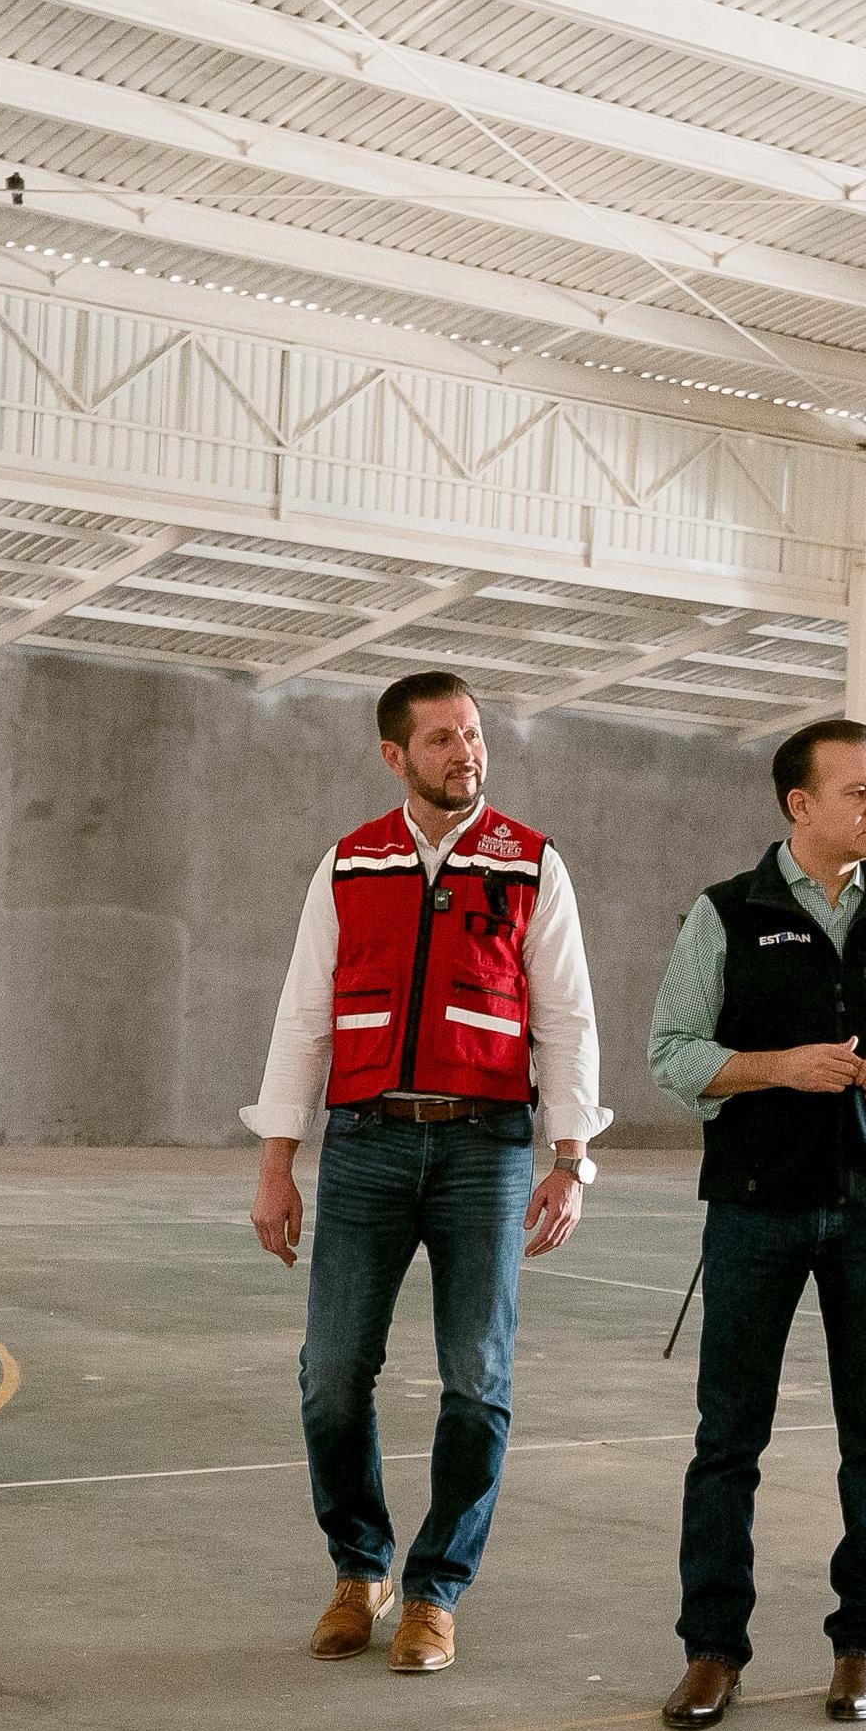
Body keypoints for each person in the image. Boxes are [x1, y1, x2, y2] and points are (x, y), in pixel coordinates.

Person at [245, 669, 600, 1676]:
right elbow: (304, 1019)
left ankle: (436, 1587)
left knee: (476, 1379)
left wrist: (570, 1157)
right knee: (329, 1377)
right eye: (442, 737)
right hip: (362, 1144)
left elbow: (567, 1017)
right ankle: (361, 1569)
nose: (466, 752)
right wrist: (277, 1163)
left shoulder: (531, 863)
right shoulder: (349, 864)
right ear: (394, 754)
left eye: (475, 733)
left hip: (485, 1150)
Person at [644, 717, 866, 1731]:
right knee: (726, 1438)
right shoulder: (724, 913)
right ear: (800, 805)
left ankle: (861, 1642)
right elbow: (671, 1050)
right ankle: (711, 1648)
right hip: (754, 1207)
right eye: (860, 792)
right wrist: (778, 1065)